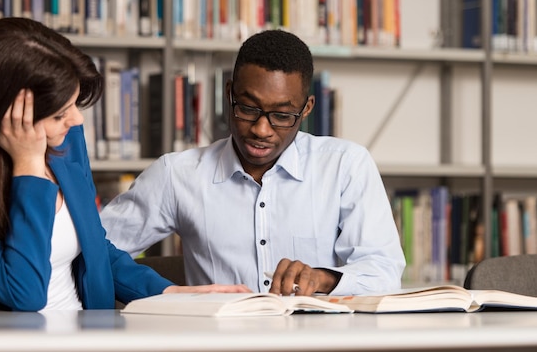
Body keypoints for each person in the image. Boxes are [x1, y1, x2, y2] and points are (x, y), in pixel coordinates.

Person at [0, 17, 250, 311]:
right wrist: (28, 167)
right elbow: (24, 293)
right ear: (4, 113)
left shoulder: (64, 142)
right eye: (60, 112)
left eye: (74, 104)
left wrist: (166, 293)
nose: (76, 120)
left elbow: (94, 248)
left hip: (90, 334)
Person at [101, 29, 406, 297]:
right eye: (248, 108)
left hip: (315, 342)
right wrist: (159, 290)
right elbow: (92, 248)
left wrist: (324, 278)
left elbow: (384, 271)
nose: (261, 130)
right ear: (228, 93)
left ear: (307, 108)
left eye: (282, 116)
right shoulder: (178, 174)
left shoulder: (345, 166)